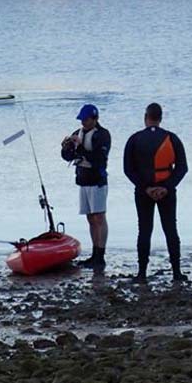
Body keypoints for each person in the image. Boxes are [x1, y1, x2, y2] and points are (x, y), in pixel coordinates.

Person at [123, 103, 188, 282]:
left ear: (146, 117)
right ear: (160, 118)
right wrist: (166, 187)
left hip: (144, 191)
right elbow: (182, 167)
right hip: (166, 191)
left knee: (144, 229)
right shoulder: (171, 138)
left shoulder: (134, 139)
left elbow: (128, 169)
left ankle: (142, 273)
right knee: (170, 229)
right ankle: (177, 273)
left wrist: (146, 188)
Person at [61, 104, 111, 271]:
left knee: (99, 217)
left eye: (86, 119)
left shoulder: (102, 135)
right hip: (83, 180)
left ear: (94, 119)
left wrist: (81, 147)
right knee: (90, 218)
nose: (83, 123)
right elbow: (67, 156)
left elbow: (98, 159)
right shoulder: (78, 133)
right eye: (82, 120)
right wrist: (66, 147)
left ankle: (100, 255)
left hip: (97, 181)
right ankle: (94, 254)